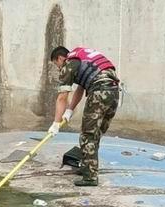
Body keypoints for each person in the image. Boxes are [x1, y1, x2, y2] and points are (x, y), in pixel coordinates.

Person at [47, 46, 120, 186]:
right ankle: (88, 167)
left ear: (60, 58)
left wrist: (56, 123)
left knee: (88, 135)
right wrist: (69, 110)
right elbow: (81, 88)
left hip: (99, 91)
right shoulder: (82, 59)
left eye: (57, 65)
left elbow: (62, 97)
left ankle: (90, 177)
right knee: (96, 133)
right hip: (114, 91)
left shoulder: (69, 63)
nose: (59, 69)